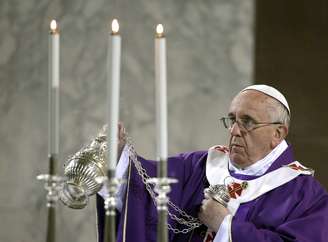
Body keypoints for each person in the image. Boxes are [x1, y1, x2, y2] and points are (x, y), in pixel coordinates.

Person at [96, 84, 328, 242]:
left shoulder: (306, 196)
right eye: (232, 119)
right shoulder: (199, 166)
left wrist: (226, 226)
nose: (234, 130)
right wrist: (119, 160)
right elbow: (146, 189)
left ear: (278, 133)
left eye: (247, 122)